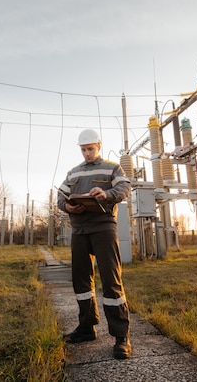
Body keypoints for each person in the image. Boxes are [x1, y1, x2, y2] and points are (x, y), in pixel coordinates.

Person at [57, 129, 132, 360]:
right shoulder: (73, 173)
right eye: (83, 149)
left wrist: (106, 193)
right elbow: (61, 197)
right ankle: (87, 328)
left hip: (103, 228)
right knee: (81, 280)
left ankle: (121, 337)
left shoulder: (112, 168)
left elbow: (124, 188)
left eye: (90, 148)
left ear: (99, 145)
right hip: (79, 230)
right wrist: (67, 207)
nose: (87, 153)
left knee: (111, 280)